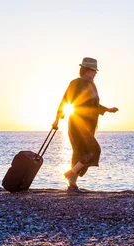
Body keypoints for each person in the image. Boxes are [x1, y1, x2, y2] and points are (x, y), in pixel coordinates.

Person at [52, 57, 118, 194]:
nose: (95, 74)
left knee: (80, 154)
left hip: (88, 125)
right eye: (93, 71)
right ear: (86, 70)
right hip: (78, 123)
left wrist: (108, 110)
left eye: (95, 71)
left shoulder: (92, 85)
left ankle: (72, 186)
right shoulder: (76, 83)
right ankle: (71, 173)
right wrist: (57, 120)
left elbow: (94, 105)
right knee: (94, 150)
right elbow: (65, 101)